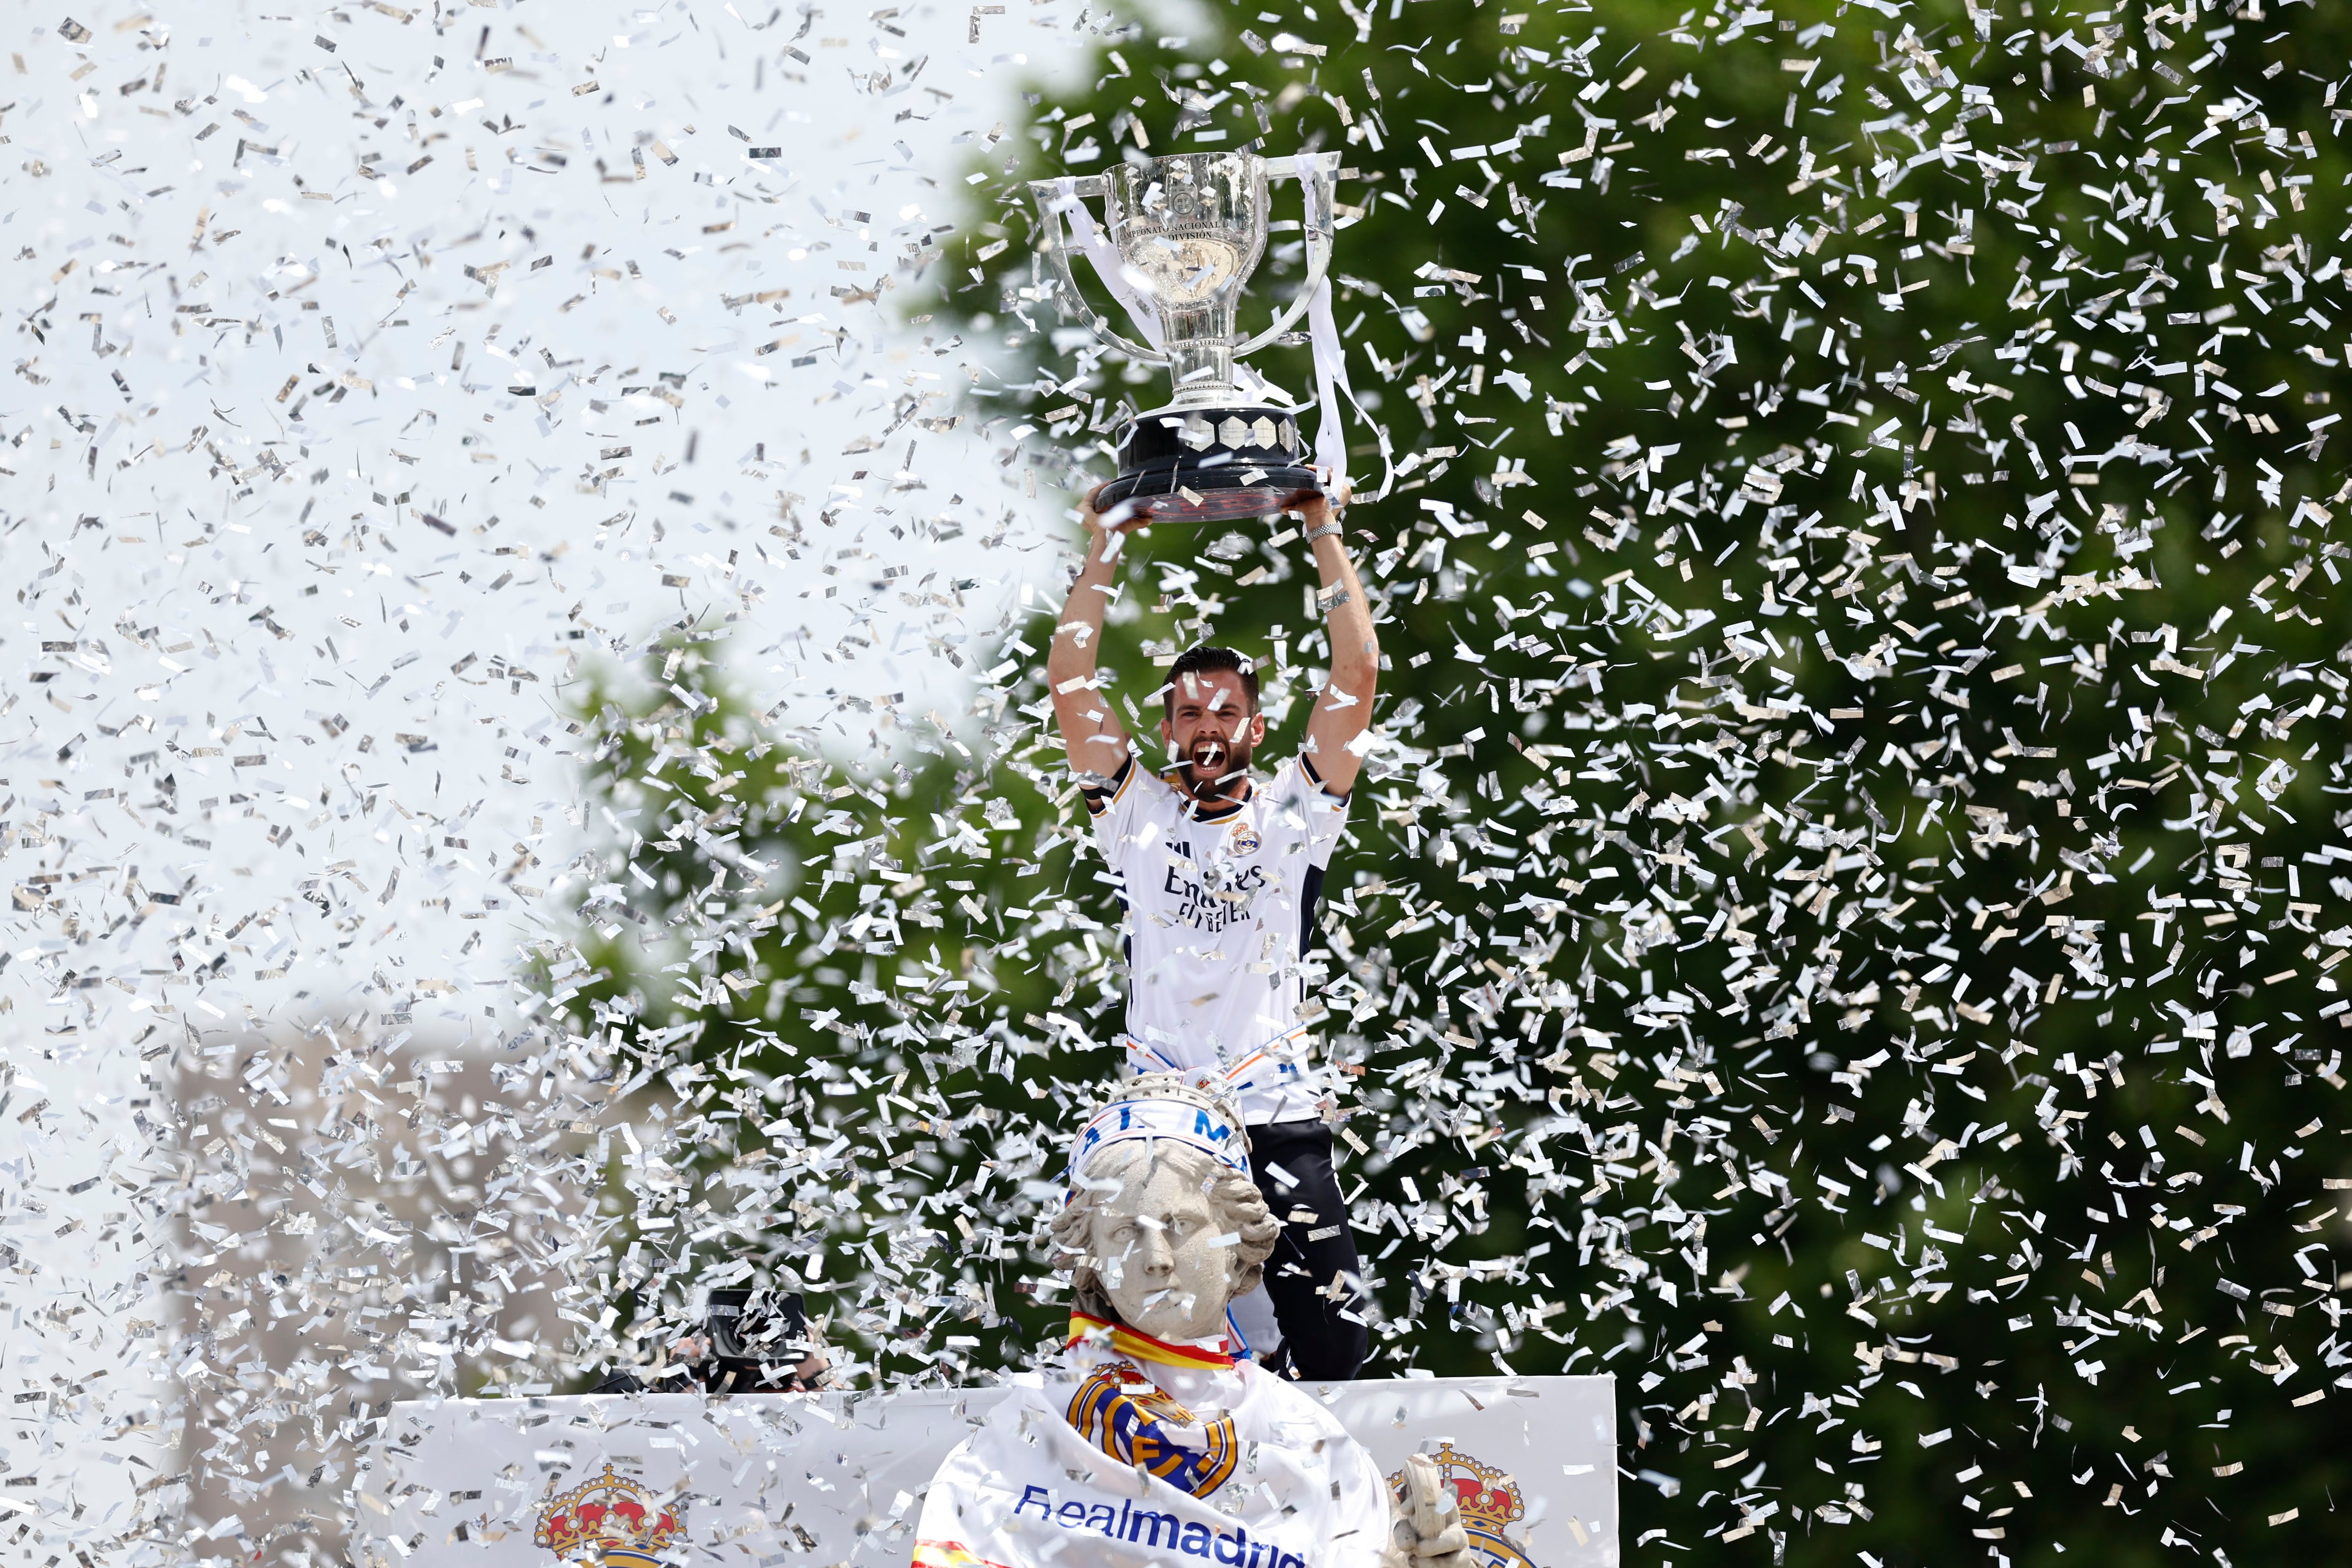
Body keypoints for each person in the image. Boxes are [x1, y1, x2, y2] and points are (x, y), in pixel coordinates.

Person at [1046, 485, 1378, 1381]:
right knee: (1142, 1346)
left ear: (1255, 728)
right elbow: (1070, 684)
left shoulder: (1293, 813)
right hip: (1164, 1124)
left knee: (1338, 1348)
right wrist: (1108, 544)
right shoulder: (1138, 816)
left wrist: (1321, 529)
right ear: (1166, 727)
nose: (1206, 729)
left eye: (1224, 713)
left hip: (1276, 1110)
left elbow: (1357, 678)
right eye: (1189, 713)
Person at [913, 1076, 1472, 1568]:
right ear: (1093, 1266)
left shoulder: (1313, 1441)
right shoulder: (1023, 1435)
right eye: (1125, 1233)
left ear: (1238, 1245)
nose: (1156, 1258)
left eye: (1180, 1224)